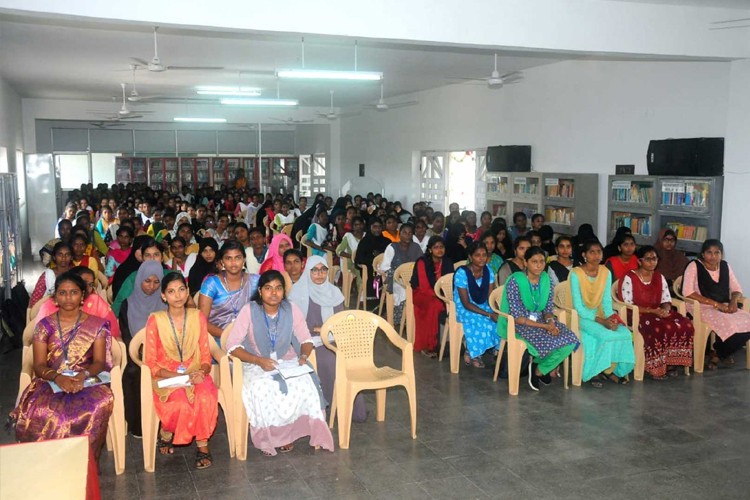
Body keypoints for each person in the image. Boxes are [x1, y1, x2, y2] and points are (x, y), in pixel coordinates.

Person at [225, 270, 335, 456]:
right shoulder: (249, 310)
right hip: (254, 362)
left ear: (284, 292)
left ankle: (290, 434)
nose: (273, 293)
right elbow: (231, 345)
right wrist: (258, 361)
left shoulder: (291, 309)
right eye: (268, 288)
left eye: (278, 288)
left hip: (287, 360)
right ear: (260, 291)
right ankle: (272, 438)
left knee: (305, 384)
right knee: (263, 388)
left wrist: (303, 356)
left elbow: (306, 339)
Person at [10, 272, 114, 464]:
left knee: (96, 405)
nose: (68, 297)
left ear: (82, 296)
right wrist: (58, 378)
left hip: (87, 380)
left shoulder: (97, 325)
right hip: (50, 381)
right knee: (46, 411)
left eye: (74, 292)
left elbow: (99, 362)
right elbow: (39, 365)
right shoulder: (44, 326)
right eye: (63, 293)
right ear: (55, 297)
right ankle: (52, 464)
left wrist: (82, 375)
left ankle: (86, 463)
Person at [145, 273, 218, 469]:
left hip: (195, 373)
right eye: (171, 291)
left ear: (187, 293)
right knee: (180, 404)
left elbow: (205, 355)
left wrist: (202, 371)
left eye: (181, 290)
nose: (177, 295)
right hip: (166, 377)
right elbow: (151, 363)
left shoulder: (197, 317)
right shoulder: (155, 320)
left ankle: (203, 446)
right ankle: (167, 431)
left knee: (206, 396)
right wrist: (180, 377)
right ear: (163, 296)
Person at [288, 256, 367, 422]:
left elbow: (342, 320)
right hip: (308, 340)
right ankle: (332, 409)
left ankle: (353, 409)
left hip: (333, 337)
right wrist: (317, 329)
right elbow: (294, 323)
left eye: (323, 269)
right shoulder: (298, 292)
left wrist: (329, 330)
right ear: (308, 271)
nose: (319, 274)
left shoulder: (334, 292)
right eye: (315, 270)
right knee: (330, 361)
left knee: (351, 357)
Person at [497, 246, 580, 390]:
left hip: (541, 321)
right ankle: (540, 366)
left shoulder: (546, 280)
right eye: (534, 261)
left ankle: (539, 369)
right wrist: (546, 327)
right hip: (519, 325)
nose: (539, 265)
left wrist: (551, 322)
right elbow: (517, 318)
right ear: (525, 262)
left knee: (570, 340)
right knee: (548, 340)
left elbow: (548, 310)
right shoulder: (515, 281)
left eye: (542, 261)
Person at [618, 246, 694, 379]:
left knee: (685, 324)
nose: (652, 262)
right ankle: (655, 367)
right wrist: (653, 311)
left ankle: (670, 362)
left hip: (657, 312)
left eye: (654, 259)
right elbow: (628, 304)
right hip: (636, 314)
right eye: (648, 259)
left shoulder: (659, 277)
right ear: (640, 261)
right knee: (658, 328)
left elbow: (666, 299)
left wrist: (665, 309)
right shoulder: (630, 277)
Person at [569, 240, 635, 386]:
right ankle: (595, 372)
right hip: (581, 317)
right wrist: (602, 322)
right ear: (584, 255)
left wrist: (610, 318)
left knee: (624, 333)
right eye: (592, 252)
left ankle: (612, 370)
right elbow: (578, 307)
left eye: (599, 251)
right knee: (605, 334)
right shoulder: (576, 274)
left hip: (601, 315)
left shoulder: (605, 272)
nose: (596, 255)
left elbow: (606, 302)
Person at [682, 239, 750, 368]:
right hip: (700, 306)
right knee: (729, 322)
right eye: (709, 253)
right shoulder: (694, 266)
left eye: (717, 253)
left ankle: (718, 353)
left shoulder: (725, 266)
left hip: (723, 305)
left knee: (747, 321)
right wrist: (716, 304)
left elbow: (737, 289)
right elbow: (688, 292)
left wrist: (733, 302)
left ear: (721, 254)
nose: (713, 256)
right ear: (703, 254)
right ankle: (721, 353)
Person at [118, 261, 167, 437]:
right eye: (147, 281)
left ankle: (166, 424)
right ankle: (140, 425)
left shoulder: (165, 304)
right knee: (136, 374)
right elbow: (126, 336)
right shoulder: (128, 305)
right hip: (136, 356)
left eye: (156, 282)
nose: (152, 286)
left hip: (164, 355)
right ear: (139, 280)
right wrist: (141, 355)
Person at [199, 240, 260, 341]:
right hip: (219, 337)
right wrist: (229, 335)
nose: (233, 262)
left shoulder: (255, 281)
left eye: (238, 258)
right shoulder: (211, 284)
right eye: (228, 258)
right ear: (222, 262)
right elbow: (201, 321)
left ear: (244, 260)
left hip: (250, 337)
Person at [454, 242, 499, 368]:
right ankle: (473, 353)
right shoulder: (462, 273)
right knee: (481, 320)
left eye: (484, 255)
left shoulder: (488, 270)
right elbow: (466, 303)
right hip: (464, 307)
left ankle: (496, 352)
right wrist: (489, 315)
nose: (481, 258)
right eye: (477, 255)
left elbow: (491, 296)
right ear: (470, 256)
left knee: (500, 320)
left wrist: (495, 311)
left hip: (484, 303)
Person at [410, 236, 452, 357]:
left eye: (442, 247)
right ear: (430, 250)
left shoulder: (447, 262)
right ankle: (430, 345)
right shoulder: (422, 262)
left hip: (441, 295)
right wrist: (440, 297)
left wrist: (445, 297)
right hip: (422, 294)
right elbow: (423, 287)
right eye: (436, 247)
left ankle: (446, 343)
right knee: (435, 305)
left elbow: (450, 282)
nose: (439, 250)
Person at [379, 223, 423, 327]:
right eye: (404, 233)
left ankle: (414, 319)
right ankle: (401, 318)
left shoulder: (415, 247)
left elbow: (421, 263)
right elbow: (384, 267)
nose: (407, 235)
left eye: (410, 233)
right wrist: (399, 276)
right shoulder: (392, 247)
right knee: (404, 290)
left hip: (413, 279)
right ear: (400, 234)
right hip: (395, 279)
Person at [112, 237, 167, 316]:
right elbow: (119, 304)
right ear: (143, 259)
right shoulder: (134, 278)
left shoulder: (170, 276)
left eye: (156, 255)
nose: (152, 259)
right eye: (147, 255)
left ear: (162, 258)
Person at [354, 217, 390, 299]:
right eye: (374, 227)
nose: (377, 229)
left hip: (385, 270)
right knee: (374, 276)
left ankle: (387, 303)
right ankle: (373, 302)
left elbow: (391, 257)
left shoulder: (387, 242)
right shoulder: (364, 242)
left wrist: (380, 256)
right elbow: (359, 260)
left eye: (379, 227)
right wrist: (374, 260)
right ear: (370, 227)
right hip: (369, 271)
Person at [30, 242, 73, 308]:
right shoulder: (48, 275)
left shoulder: (75, 273)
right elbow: (35, 299)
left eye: (67, 254)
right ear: (54, 257)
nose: (63, 258)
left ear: (71, 257)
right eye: (60, 254)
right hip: (48, 312)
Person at [336, 215, 365, 289]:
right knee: (360, 271)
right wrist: (352, 256)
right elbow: (339, 251)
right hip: (351, 263)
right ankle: (361, 296)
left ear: (363, 225)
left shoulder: (366, 236)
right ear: (352, 227)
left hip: (364, 262)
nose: (358, 226)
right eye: (356, 225)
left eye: (360, 224)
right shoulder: (348, 236)